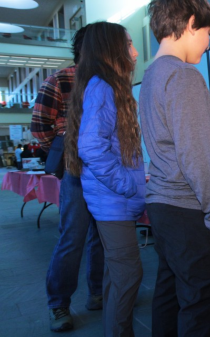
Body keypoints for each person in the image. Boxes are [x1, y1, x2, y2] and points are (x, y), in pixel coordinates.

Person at [139, 0, 210, 335]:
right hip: (188, 210)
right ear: (192, 23)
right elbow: (199, 155)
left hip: (162, 205)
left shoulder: (151, 75)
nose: (208, 43)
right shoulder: (183, 75)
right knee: (201, 306)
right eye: (208, 33)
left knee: (169, 296)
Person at [64, 21, 144, 337]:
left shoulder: (101, 85)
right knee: (128, 275)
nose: (135, 53)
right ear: (110, 50)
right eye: (128, 45)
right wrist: (126, 183)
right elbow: (92, 147)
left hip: (112, 200)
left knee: (117, 275)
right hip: (113, 201)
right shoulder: (104, 87)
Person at [31, 26, 105, 333]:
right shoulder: (60, 79)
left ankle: (98, 292)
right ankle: (58, 303)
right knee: (72, 238)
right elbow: (39, 128)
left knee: (102, 236)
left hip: (106, 171)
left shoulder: (111, 82)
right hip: (76, 172)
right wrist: (64, 151)